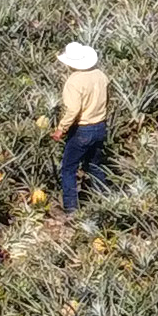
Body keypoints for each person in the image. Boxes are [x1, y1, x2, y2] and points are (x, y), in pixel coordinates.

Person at [51, 40, 111, 213]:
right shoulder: (100, 75)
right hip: (100, 126)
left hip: (82, 129)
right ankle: (106, 199)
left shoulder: (74, 82)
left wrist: (61, 129)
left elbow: (73, 109)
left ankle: (71, 208)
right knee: (94, 165)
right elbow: (108, 98)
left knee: (69, 168)